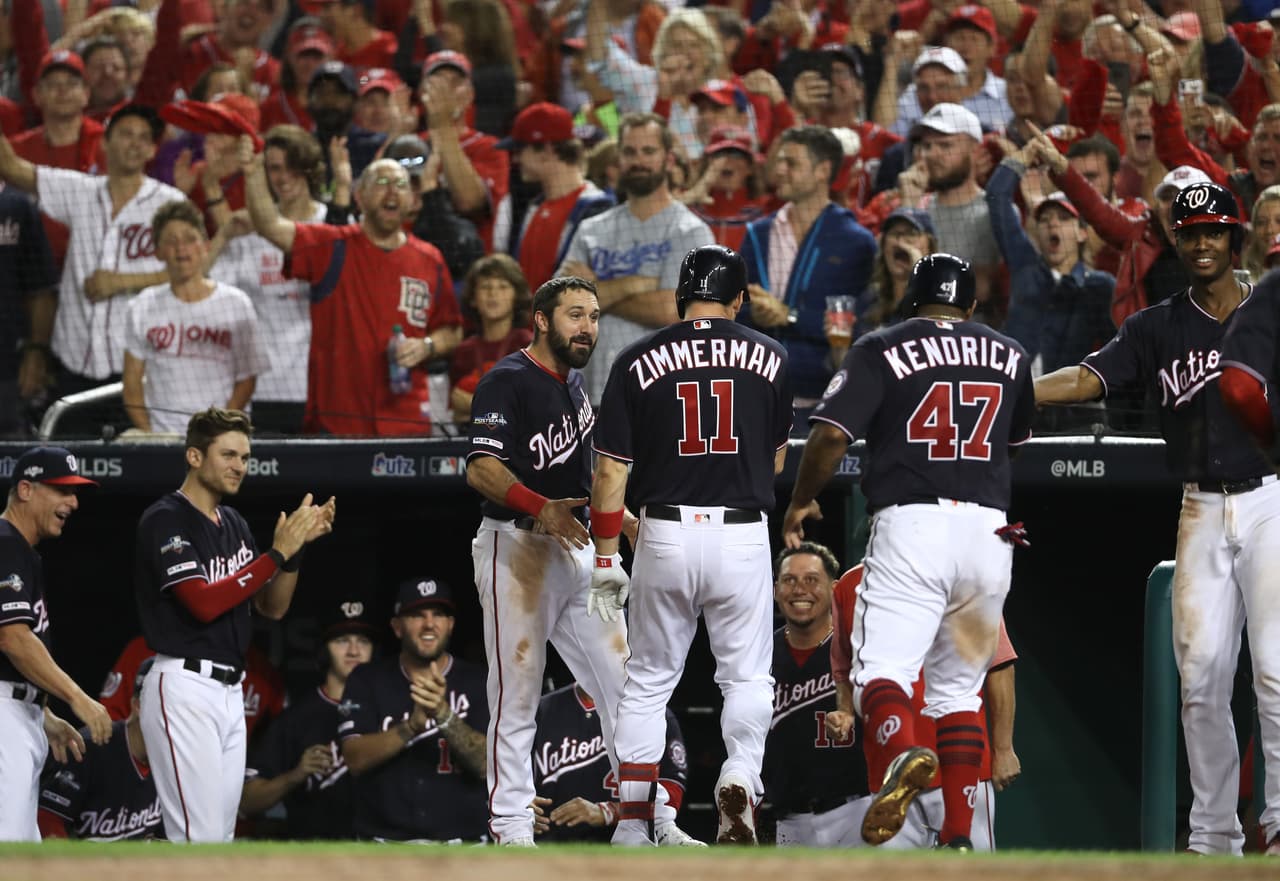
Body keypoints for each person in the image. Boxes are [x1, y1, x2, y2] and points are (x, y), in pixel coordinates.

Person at [1036, 182, 1277, 857]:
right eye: (1190, 232)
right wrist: (1014, 388)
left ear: (1235, 238)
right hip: (1201, 504)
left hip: (1270, 498)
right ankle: (1214, 836)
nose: (1201, 243)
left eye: (1213, 231)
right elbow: (1088, 378)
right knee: (1200, 678)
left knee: (1274, 675)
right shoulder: (1155, 326)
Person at [782, 254, 1034, 850]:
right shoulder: (1010, 352)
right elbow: (1014, 443)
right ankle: (958, 836)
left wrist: (801, 500)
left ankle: (901, 754)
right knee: (959, 693)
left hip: (913, 521)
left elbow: (830, 435)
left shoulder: (882, 345)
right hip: (990, 530)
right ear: (971, 305)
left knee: (881, 671)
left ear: (910, 301)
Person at [588, 245, 793, 845]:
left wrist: (606, 556)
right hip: (741, 531)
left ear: (681, 297)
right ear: (740, 300)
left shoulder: (635, 357)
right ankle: (740, 776)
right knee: (746, 679)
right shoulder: (773, 355)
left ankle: (632, 824)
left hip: (665, 531)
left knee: (648, 682)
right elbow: (777, 460)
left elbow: (610, 473)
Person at [466, 276, 636, 847]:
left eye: (594, 316)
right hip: (517, 547)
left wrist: (622, 518)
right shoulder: (507, 379)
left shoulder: (576, 384)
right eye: (575, 315)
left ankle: (644, 814)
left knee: (625, 681)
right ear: (541, 320)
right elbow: (480, 469)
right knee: (517, 690)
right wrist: (541, 507)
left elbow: (585, 480)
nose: (587, 327)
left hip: (584, 549)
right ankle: (512, 825)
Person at [134, 407, 334, 843]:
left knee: (221, 840)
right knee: (199, 838)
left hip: (229, 692)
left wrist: (294, 554)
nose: (239, 466)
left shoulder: (235, 524)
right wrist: (276, 554)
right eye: (228, 455)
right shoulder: (166, 518)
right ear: (194, 456)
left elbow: (271, 607)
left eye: (244, 457)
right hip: (184, 683)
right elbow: (202, 603)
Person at [240, 136, 463, 436]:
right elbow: (269, 225)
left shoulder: (430, 259)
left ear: (412, 200)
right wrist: (253, 175)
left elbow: (452, 330)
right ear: (360, 196)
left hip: (406, 421)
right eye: (381, 182)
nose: (392, 191)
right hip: (339, 423)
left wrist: (427, 346)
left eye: (400, 185)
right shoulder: (331, 245)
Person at [0, 104, 183, 414]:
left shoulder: (170, 203)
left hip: (137, 366)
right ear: (105, 142)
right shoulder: (80, 191)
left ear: (153, 149)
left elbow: (197, 269)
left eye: (144, 138)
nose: (135, 143)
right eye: (126, 134)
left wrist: (123, 282)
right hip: (72, 361)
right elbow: (10, 166)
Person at [829, 563, 1020, 850]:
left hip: (960, 762)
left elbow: (998, 665)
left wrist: (1004, 749)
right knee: (898, 871)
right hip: (888, 777)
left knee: (971, 869)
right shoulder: (849, 585)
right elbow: (843, 669)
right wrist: (844, 711)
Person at [558, 112, 715, 404]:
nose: (638, 161)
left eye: (648, 151)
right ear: (618, 158)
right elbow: (561, 306)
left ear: (669, 159)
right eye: (630, 152)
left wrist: (594, 290)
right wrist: (636, 284)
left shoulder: (691, 231)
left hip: (662, 395)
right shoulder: (591, 229)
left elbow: (672, 311)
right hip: (591, 392)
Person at [0, 446, 112, 841]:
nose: (73, 502)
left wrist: (44, 715)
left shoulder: (19, 549)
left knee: (23, 850)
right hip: (5, 717)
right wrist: (76, 697)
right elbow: (12, 638)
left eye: (75, 492)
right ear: (26, 489)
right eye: (62, 490)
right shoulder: (5, 543)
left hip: (20, 712)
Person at [338, 578, 489, 842]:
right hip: (383, 845)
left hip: (462, 845)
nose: (429, 624)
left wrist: (443, 714)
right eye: (417, 615)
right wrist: (411, 727)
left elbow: (486, 765)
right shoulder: (367, 679)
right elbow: (355, 759)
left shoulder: (479, 681)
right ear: (397, 627)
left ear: (450, 624)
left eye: (438, 614)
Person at [739, 124, 876, 407]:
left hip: (824, 399)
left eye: (791, 163)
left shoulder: (855, 242)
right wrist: (755, 312)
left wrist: (788, 316)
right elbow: (736, 309)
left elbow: (859, 325)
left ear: (823, 170)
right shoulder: (757, 234)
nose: (779, 170)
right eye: (779, 161)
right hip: (757, 393)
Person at [209, 125, 329, 435]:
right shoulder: (248, 228)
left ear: (309, 168)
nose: (284, 177)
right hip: (262, 388)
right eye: (275, 168)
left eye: (292, 166)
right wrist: (223, 235)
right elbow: (205, 292)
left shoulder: (333, 225)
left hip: (319, 386)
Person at [122, 199, 269, 435]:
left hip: (221, 437)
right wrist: (151, 436)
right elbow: (131, 386)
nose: (181, 248)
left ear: (205, 246)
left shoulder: (236, 304)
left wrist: (218, 431)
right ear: (158, 251)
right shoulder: (142, 306)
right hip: (162, 438)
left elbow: (247, 380)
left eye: (190, 239)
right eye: (171, 241)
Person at [240, 599, 377, 839]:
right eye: (342, 640)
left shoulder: (387, 709)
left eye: (363, 641)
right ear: (324, 650)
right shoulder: (297, 719)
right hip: (316, 850)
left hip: (380, 850)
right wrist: (295, 775)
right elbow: (247, 801)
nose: (354, 651)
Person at [763, 543, 868, 848]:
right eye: (789, 580)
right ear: (775, 590)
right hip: (788, 820)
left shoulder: (860, 649)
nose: (800, 590)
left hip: (857, 810)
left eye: (811, 580)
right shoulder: (759, 655)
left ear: (835, 590)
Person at [986, 143, 1115, 375]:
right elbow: (997, 197)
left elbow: (1117, 347)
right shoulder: (1024, 264)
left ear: (1082, 233)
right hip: (1013, 388)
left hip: (1069, 395)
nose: (1053, 224)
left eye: (1063, 218)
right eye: (1045, 219)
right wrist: (1022, 157)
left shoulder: (1099, 286)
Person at [532, 682, 690, 843]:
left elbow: (671, 790)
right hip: (548, 843)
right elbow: (516, 775)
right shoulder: (540, 710)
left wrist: (610, 812)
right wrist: (520, 807)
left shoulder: (647, 711)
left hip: (625, 842)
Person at [37, 658, 163, 841]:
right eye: (164, 705)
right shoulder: (90, 746)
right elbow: (48, 820)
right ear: (138, 706)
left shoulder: (174, 759)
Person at [900, 103, 1003, 323]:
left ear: (975, 151)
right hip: (916, 330)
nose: (932, 154)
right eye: (927, 146)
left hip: (970, 335)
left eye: (945, 145)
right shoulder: (917, 206)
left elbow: (983, 288)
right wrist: (909, 208)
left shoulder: (993, 211)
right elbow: (893, 280)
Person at [498, 102, 615, 292]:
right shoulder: (534, 206)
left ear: (547, 150)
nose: (516, 159)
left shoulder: (598, 209)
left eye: (520, 150)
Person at [97, 635, 284, 740]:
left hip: (222, 780)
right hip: (149, 772)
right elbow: (109, 723)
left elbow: (273, 745)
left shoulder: (262, 672)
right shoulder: (145, 650)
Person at [449, 255, 534, 425]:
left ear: (516, 296)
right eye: (485, 287)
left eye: (503, 287)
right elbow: (456, 413)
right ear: (473, 298)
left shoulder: (529, 345)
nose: (493, 294)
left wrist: (474, 404)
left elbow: (529, 407)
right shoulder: (463, 352)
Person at [0, 185, 56, 438]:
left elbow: (41, 290)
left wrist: (36, 353)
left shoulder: (18, 206)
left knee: (11, 452)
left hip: (8, 367)